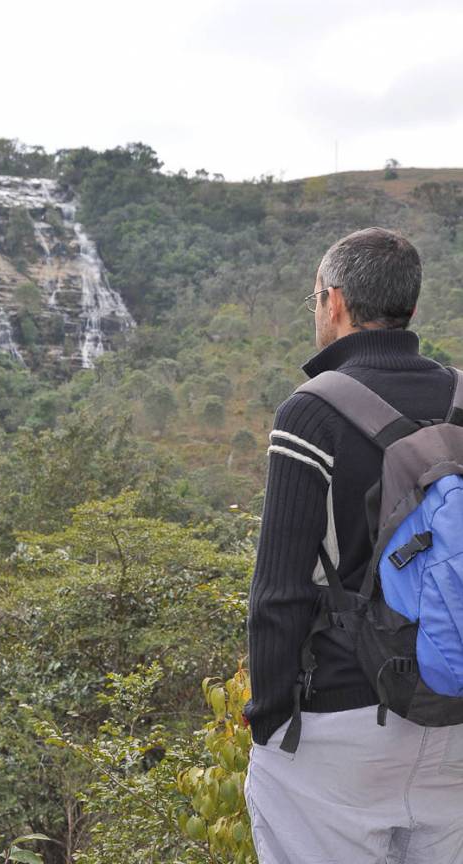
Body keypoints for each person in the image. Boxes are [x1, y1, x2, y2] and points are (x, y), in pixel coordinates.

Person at [242, 227, 463, 864]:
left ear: (333, 301)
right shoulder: (460, 398)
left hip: (343, 721)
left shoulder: (311, 412)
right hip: (454, 713)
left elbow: (280, 588)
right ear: (410, 307)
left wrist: (270, 716)